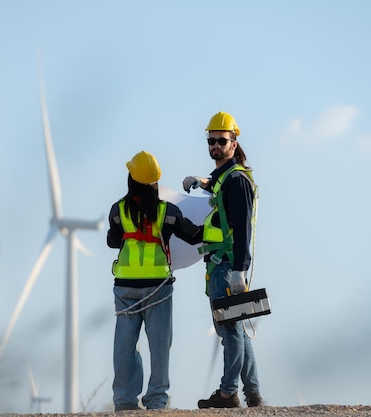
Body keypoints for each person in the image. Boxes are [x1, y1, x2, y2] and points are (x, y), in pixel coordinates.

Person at [107, 150, 203, 411]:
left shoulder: (118, 211)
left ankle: (125, 401)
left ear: (131, 179)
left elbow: (113, 240)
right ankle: (157, 401)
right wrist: (218, 223)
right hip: (158, 288)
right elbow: (194, 235)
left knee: (124, 348)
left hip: (125, 288)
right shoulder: (167, 212)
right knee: (160, 346)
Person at [182, 111, 264, 408]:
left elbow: (242, 227)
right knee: (238, 327)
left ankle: (228, 393)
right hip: (223, 263)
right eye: (211, 140)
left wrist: (239, 270)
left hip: (227, 265)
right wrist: (201, 181)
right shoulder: (227, 176)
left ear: (234, 142)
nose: (215, 145)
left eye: (221, 141)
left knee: (229, 330)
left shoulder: (237, 181)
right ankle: (252, 392)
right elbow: (218, 181)